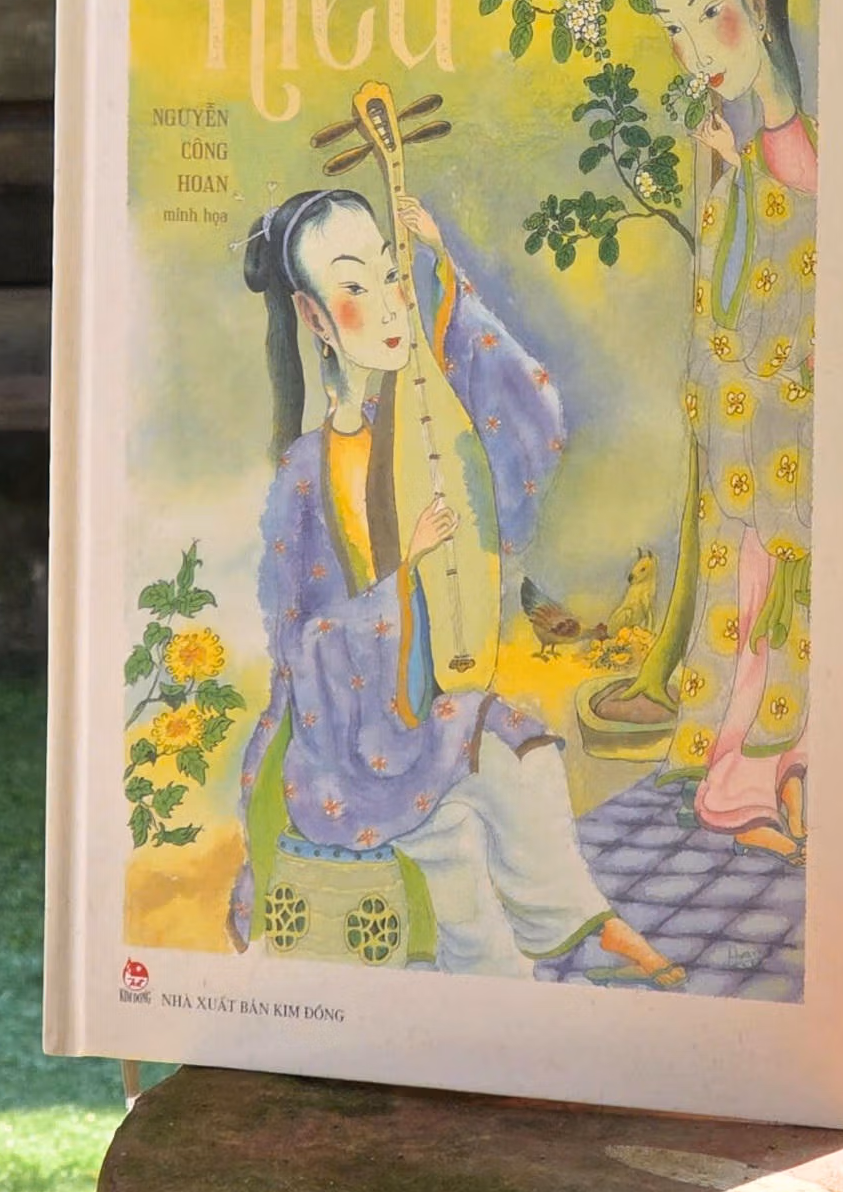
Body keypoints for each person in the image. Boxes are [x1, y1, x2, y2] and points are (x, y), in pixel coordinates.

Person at [228, 181, 681, 983]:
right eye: (356, 287)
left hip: (428, 706)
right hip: (348, 740)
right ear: (314, 318)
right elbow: (301, 644)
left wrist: (441, 267)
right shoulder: (302, 478)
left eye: (391, 272)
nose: (390, 303)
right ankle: (534, 958)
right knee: (476, 809)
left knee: (517, 764)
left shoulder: (426, 431)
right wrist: (402, 575)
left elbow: (531, 421)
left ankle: (576, 931)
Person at [579, 0, 813, 862]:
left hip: (789, 433)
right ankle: (744, 786)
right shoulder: (756, 154)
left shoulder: (792, 153)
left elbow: (790, 286)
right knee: (752, 605)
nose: (692, 50)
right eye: (673, 30)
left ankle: (772, 775)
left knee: (783, 608)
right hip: (745, 438)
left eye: (705, 14)